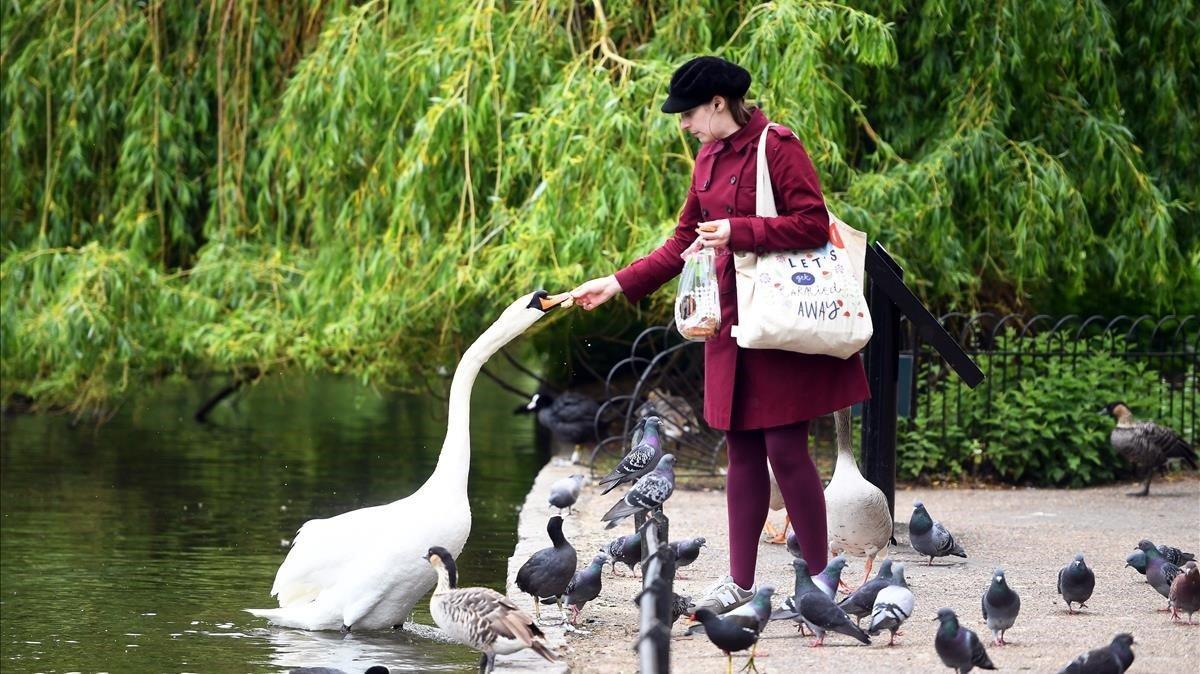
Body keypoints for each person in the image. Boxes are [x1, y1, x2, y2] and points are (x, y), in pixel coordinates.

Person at [570, 56, 869, 615]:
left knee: (785, 448)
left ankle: (822, 578)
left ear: (717, 103)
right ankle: (739, 582)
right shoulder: (706, 156)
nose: (683, 125)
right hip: (727, 324)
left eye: (688, 114)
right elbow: (682, 239)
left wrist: (739, 231)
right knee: (743, 451)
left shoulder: (777, 146)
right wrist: (615, 282)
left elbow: (812, 221)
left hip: (778, 320)